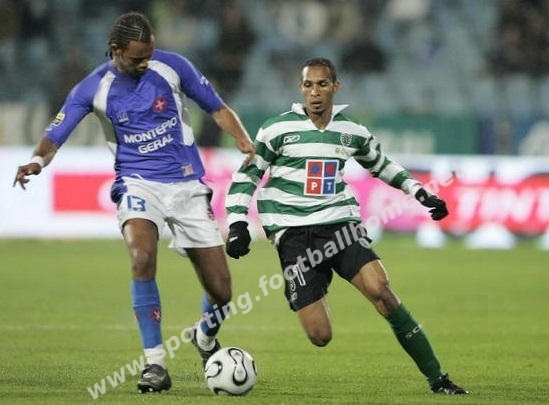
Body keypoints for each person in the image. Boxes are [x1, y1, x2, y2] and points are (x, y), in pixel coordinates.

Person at [13, 11, 255, 394]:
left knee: (222, 292)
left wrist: (243, 139)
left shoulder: (173, 67)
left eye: (149, 55)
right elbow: (56, 134)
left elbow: (217, 107)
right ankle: (155, 363)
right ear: (116, 50)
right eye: (138, 57)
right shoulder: (94, 88)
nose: (145, 63)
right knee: (142, 257)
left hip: (187, 185)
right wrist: (36, 162)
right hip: (137, 184)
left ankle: (204, 337)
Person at [225, 57, 469, 395]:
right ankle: (310, 283)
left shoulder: (351, 131)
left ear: (335, 87)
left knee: (381, 290)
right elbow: (248, 174)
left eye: (322, 84)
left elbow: (381, 164)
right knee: (320, 335)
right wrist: (237, 221)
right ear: (300, 88)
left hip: (339, 225)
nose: (315, 92)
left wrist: (418, 191)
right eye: (308, 85)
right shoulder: (276, 129)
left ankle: (438, 379)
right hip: (293, 234)